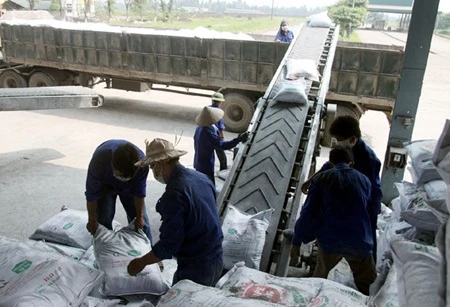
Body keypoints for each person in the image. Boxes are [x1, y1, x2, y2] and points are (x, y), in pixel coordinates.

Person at [127, 138, 224, 287]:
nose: (153, 172)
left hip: (197, 266)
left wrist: (140, 262)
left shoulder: (174, 194)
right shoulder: (201, 177)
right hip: (216, 256)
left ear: (160, 164)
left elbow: (169, 244)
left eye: (153, 166)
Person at [290, 146, 376, 295]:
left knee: (318, 280)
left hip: (330, 240)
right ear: (352, 164)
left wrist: (296, 242)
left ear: (330, 163)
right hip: (359, 240)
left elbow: (308, 213)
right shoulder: (365, 181)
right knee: (370, 287)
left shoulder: (321, 179)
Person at [302, 115, 382, 261]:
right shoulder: (346, 149)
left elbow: (365, 189)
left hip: (368, 200)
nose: (337, 143)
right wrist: (311, 180)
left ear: (352, 139)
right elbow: (331, 165)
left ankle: (369, 267)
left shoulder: (368, 159)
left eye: (339, 139)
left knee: (366, 234)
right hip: (352, 193)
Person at [85, 139, 152, 243]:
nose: (121, 178)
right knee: (102, 222)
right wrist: (91, 219)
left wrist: (139, 216)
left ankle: (147, 252)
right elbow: (92, 193)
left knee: (141, 224)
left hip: (130, 188)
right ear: (112, 164)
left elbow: (139, 193)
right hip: (105, 186)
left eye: (125, 177)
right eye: (119, 174)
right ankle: (107, 251)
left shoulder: (141, 165)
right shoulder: (100, 159)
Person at [193, 106, 249, 185]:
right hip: (206, 166)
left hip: (198, 162)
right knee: (208, 186)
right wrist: (238, 140)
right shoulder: (208, 133)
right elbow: (222, 146)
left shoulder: (199, 128)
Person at [210, 92, 228, 171]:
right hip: (216, 136)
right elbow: (220, 127)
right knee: (221, 154)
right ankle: (223, 169)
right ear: (220, 102)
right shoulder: (219, 112)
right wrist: (222, 137)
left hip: (207, 134)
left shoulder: (207, 108)